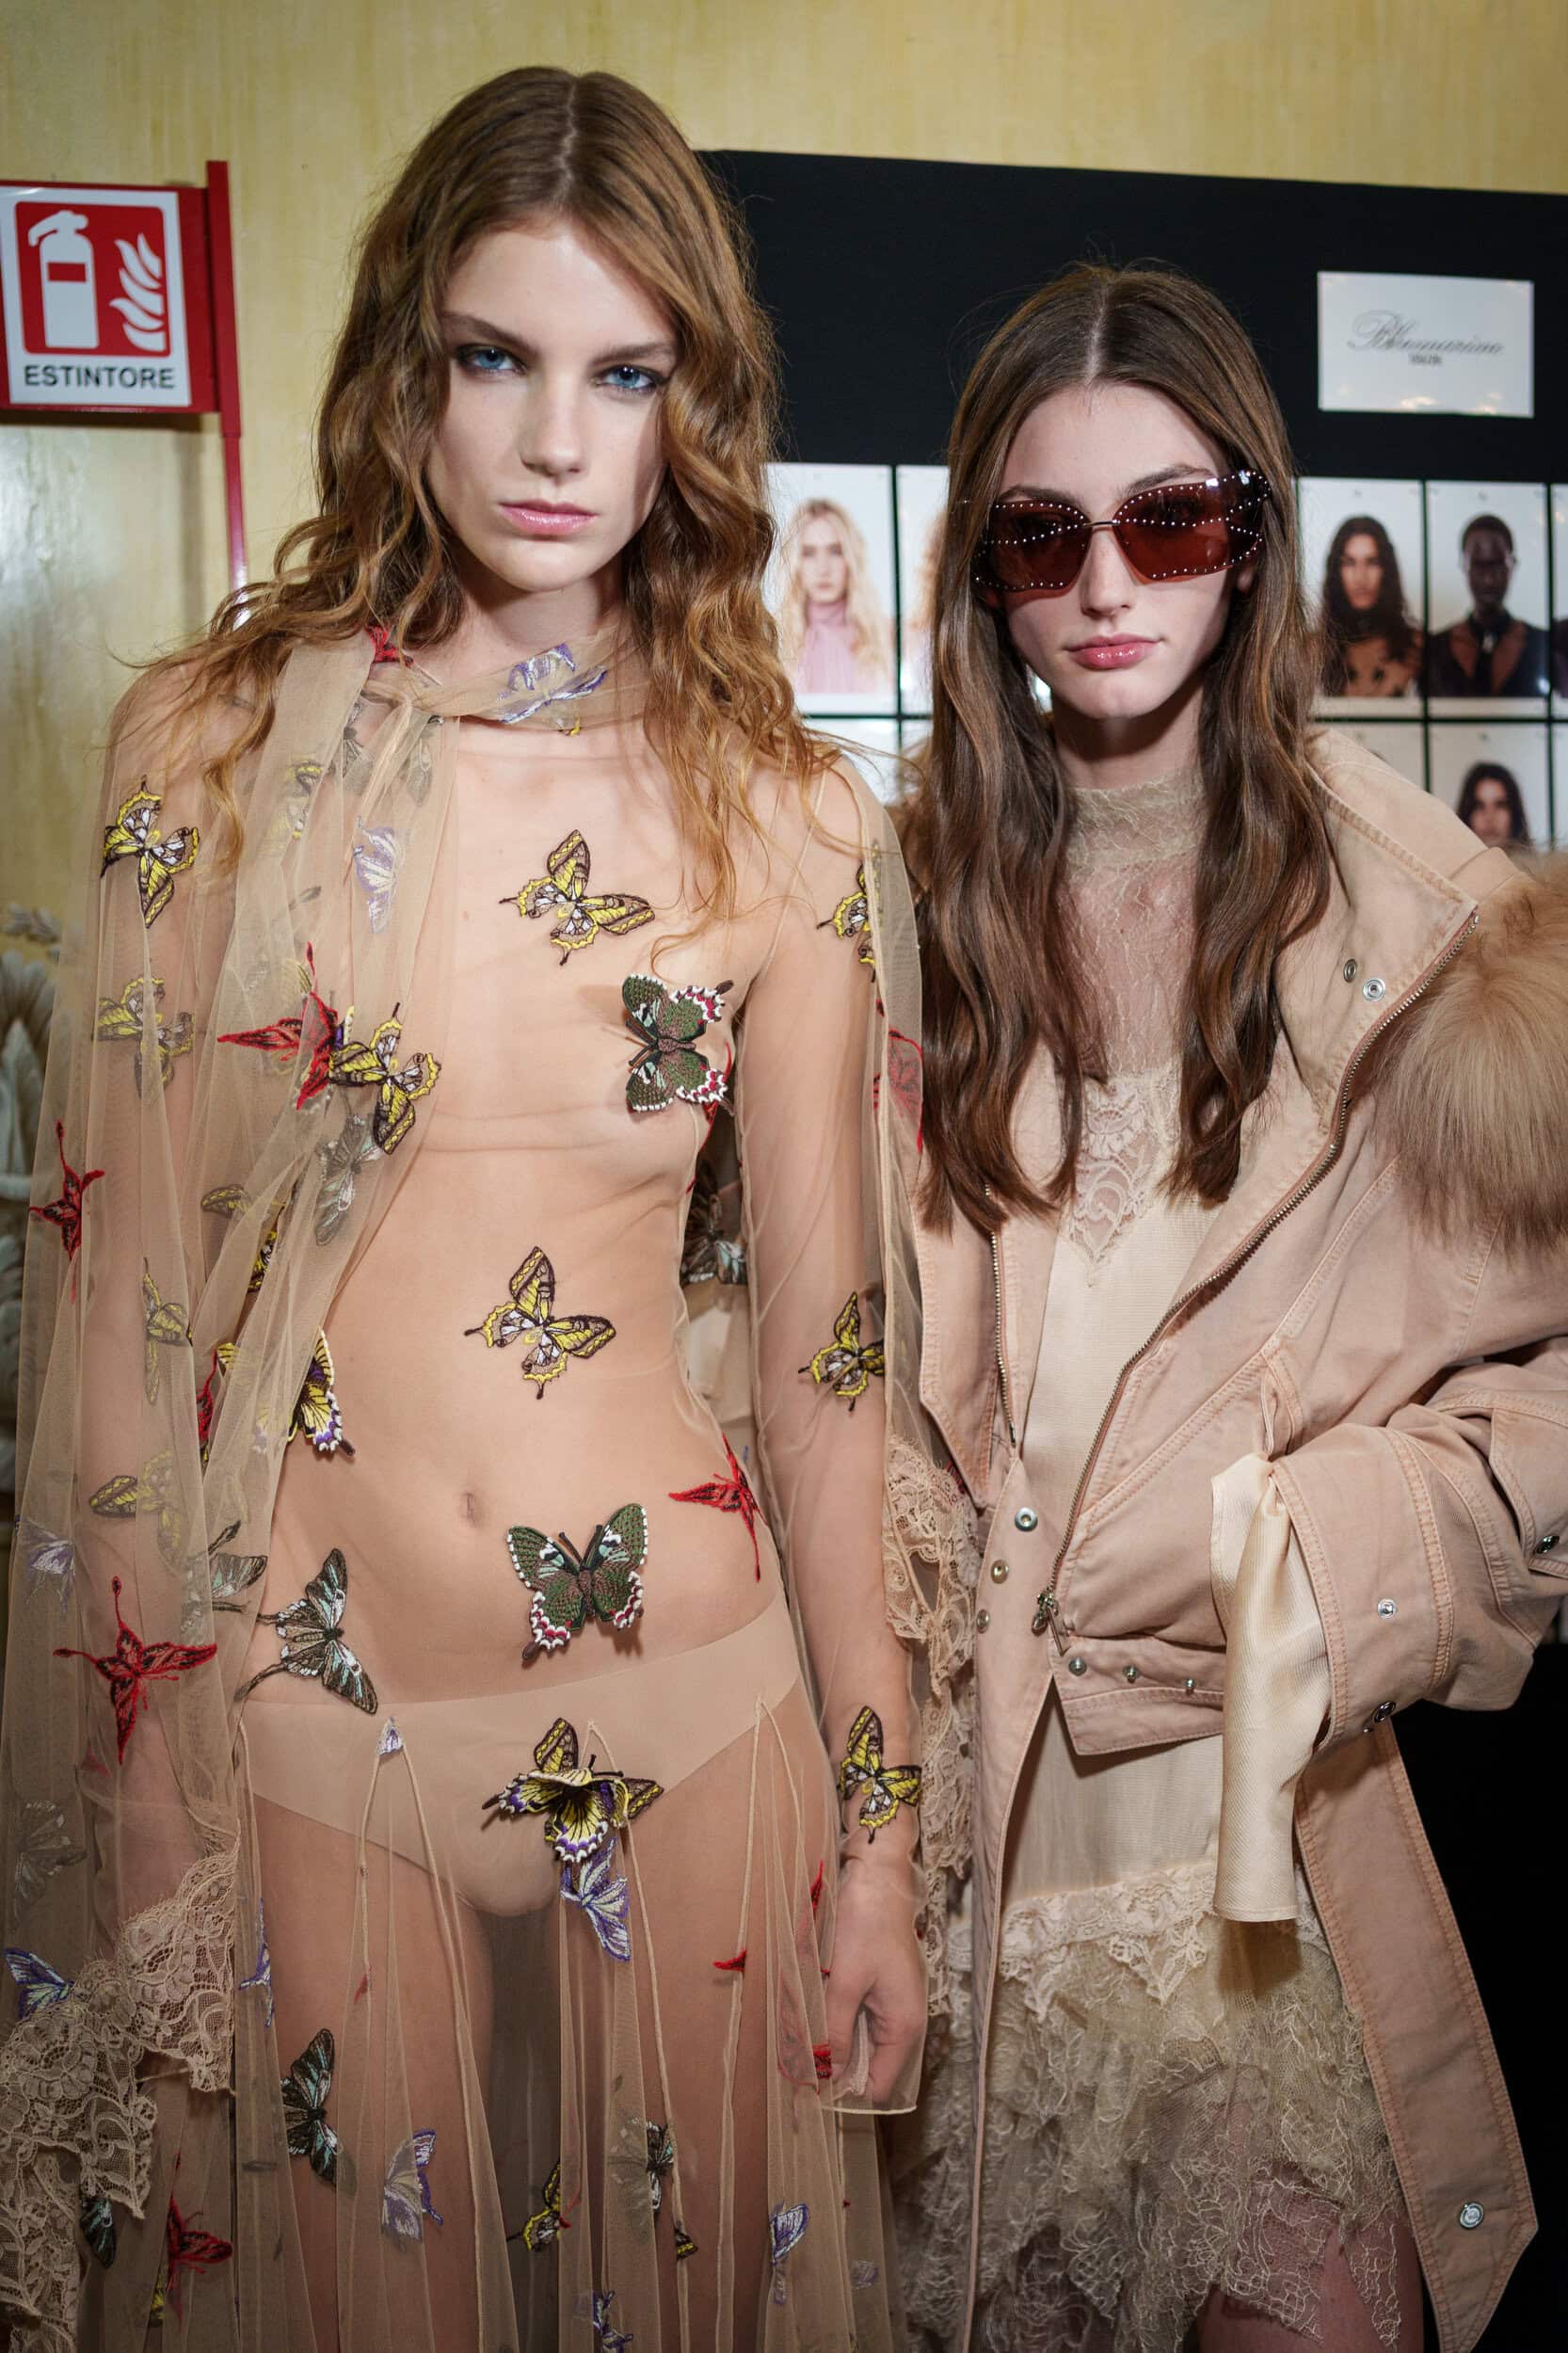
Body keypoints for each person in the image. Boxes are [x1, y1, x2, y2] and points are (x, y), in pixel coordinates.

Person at [0, 67, 929, 2353]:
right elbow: (110, 1329)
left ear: (693, 408)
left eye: (623, 375)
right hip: (318, 1729)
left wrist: (883, 1838)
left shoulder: (790, 820)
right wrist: (144, 1801)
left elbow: (827, 1384)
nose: (551, 440)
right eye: (495, 357)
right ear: (402, 358)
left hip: (697, 1715)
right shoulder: (213, 755)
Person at [891, 263, 1568, 2353]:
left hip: (1272, 1870)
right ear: (982, 576)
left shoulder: (1432, 937)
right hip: (963, 1870)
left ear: (1253, 537)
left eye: (1167, 521)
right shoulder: (881, 922)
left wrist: (1336, 1550)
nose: (1108, 585)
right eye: (1044, 536)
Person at [776, 497, 895, 701]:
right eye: (809, 553)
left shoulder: (887, 637)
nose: (823, 568)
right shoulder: (772, 639)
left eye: (835, 551)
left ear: (851, 559)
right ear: (795, 563)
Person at [1426, 513, 1550, 697]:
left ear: (1512, 566)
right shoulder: (1434, 649)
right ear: (1464, 566)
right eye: (1478, 565)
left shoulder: (1543, 645)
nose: (1488, 579)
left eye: (1497, 565)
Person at [1317, 514, 1422, 697]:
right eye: (1350, 563)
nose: (1361, 578)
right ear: (1336, 571)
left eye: (1372, 562)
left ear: (1386, 570)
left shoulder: (1417, 647)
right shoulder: (1309, 650)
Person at [1456, 759, 1533, 852]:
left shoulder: (1539, 861)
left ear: (1514, 813)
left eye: (1500, 805)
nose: (1489, 817)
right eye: (1479, 807)